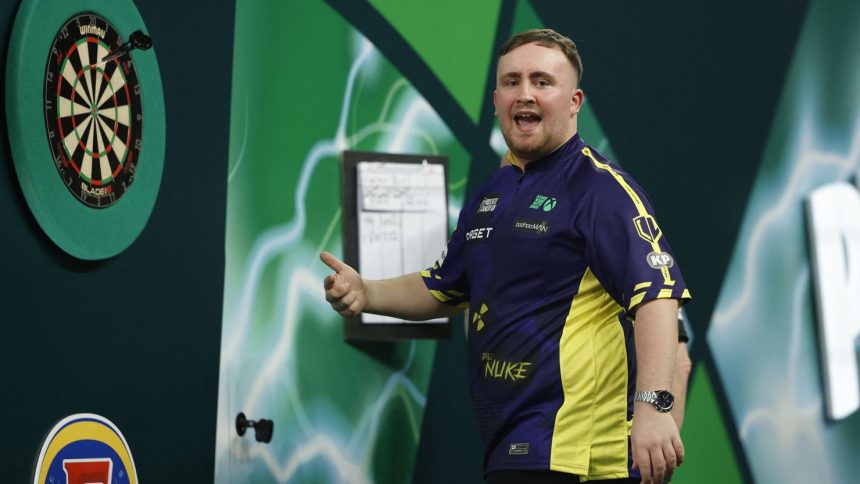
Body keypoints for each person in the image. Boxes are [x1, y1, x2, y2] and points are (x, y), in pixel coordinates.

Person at [322, 28, 691, 484]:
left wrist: (654, 408)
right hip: (509, 446)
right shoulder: (490, 193)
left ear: (574, 101)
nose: (525, 94)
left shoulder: (600, 189)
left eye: (542, 81)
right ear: (496, 98)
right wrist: (366, 292)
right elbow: (444, 286)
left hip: (579, 457)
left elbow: (657, 295)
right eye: (512, 82)